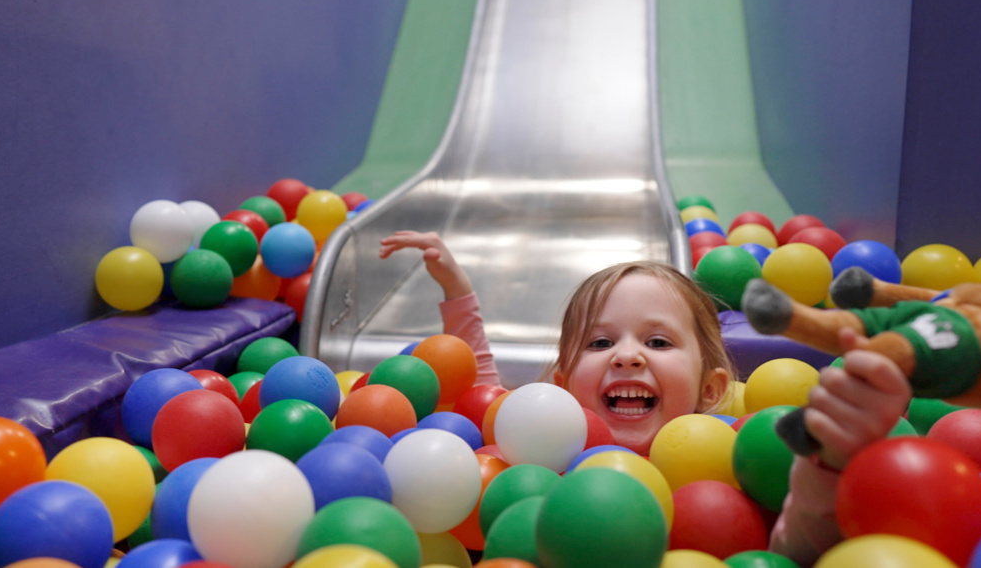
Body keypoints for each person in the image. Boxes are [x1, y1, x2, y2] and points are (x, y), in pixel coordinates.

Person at [380, 230, 913, 565]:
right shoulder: (534, 456)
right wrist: (457, 291)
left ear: (711, 390)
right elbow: (481, 391)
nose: (627, 356)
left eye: (657, 342)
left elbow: (792, 543)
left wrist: (827, 465)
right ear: (562, 386)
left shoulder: (733, 465)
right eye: (600, 342)